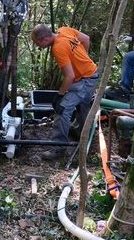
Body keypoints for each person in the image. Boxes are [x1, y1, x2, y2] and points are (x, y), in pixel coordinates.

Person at [31, 24, 98, 159]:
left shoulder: (58, 48)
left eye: (38, 43)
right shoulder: (64, 30)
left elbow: (69, 77)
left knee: (62, 109)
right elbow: (86, 38)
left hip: (85, 80)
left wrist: (59, 95)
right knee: (83, 106)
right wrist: (81, 59)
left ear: (44, 39)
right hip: (92, 74)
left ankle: (59, 148)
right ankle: (82, 136)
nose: (38, 46)